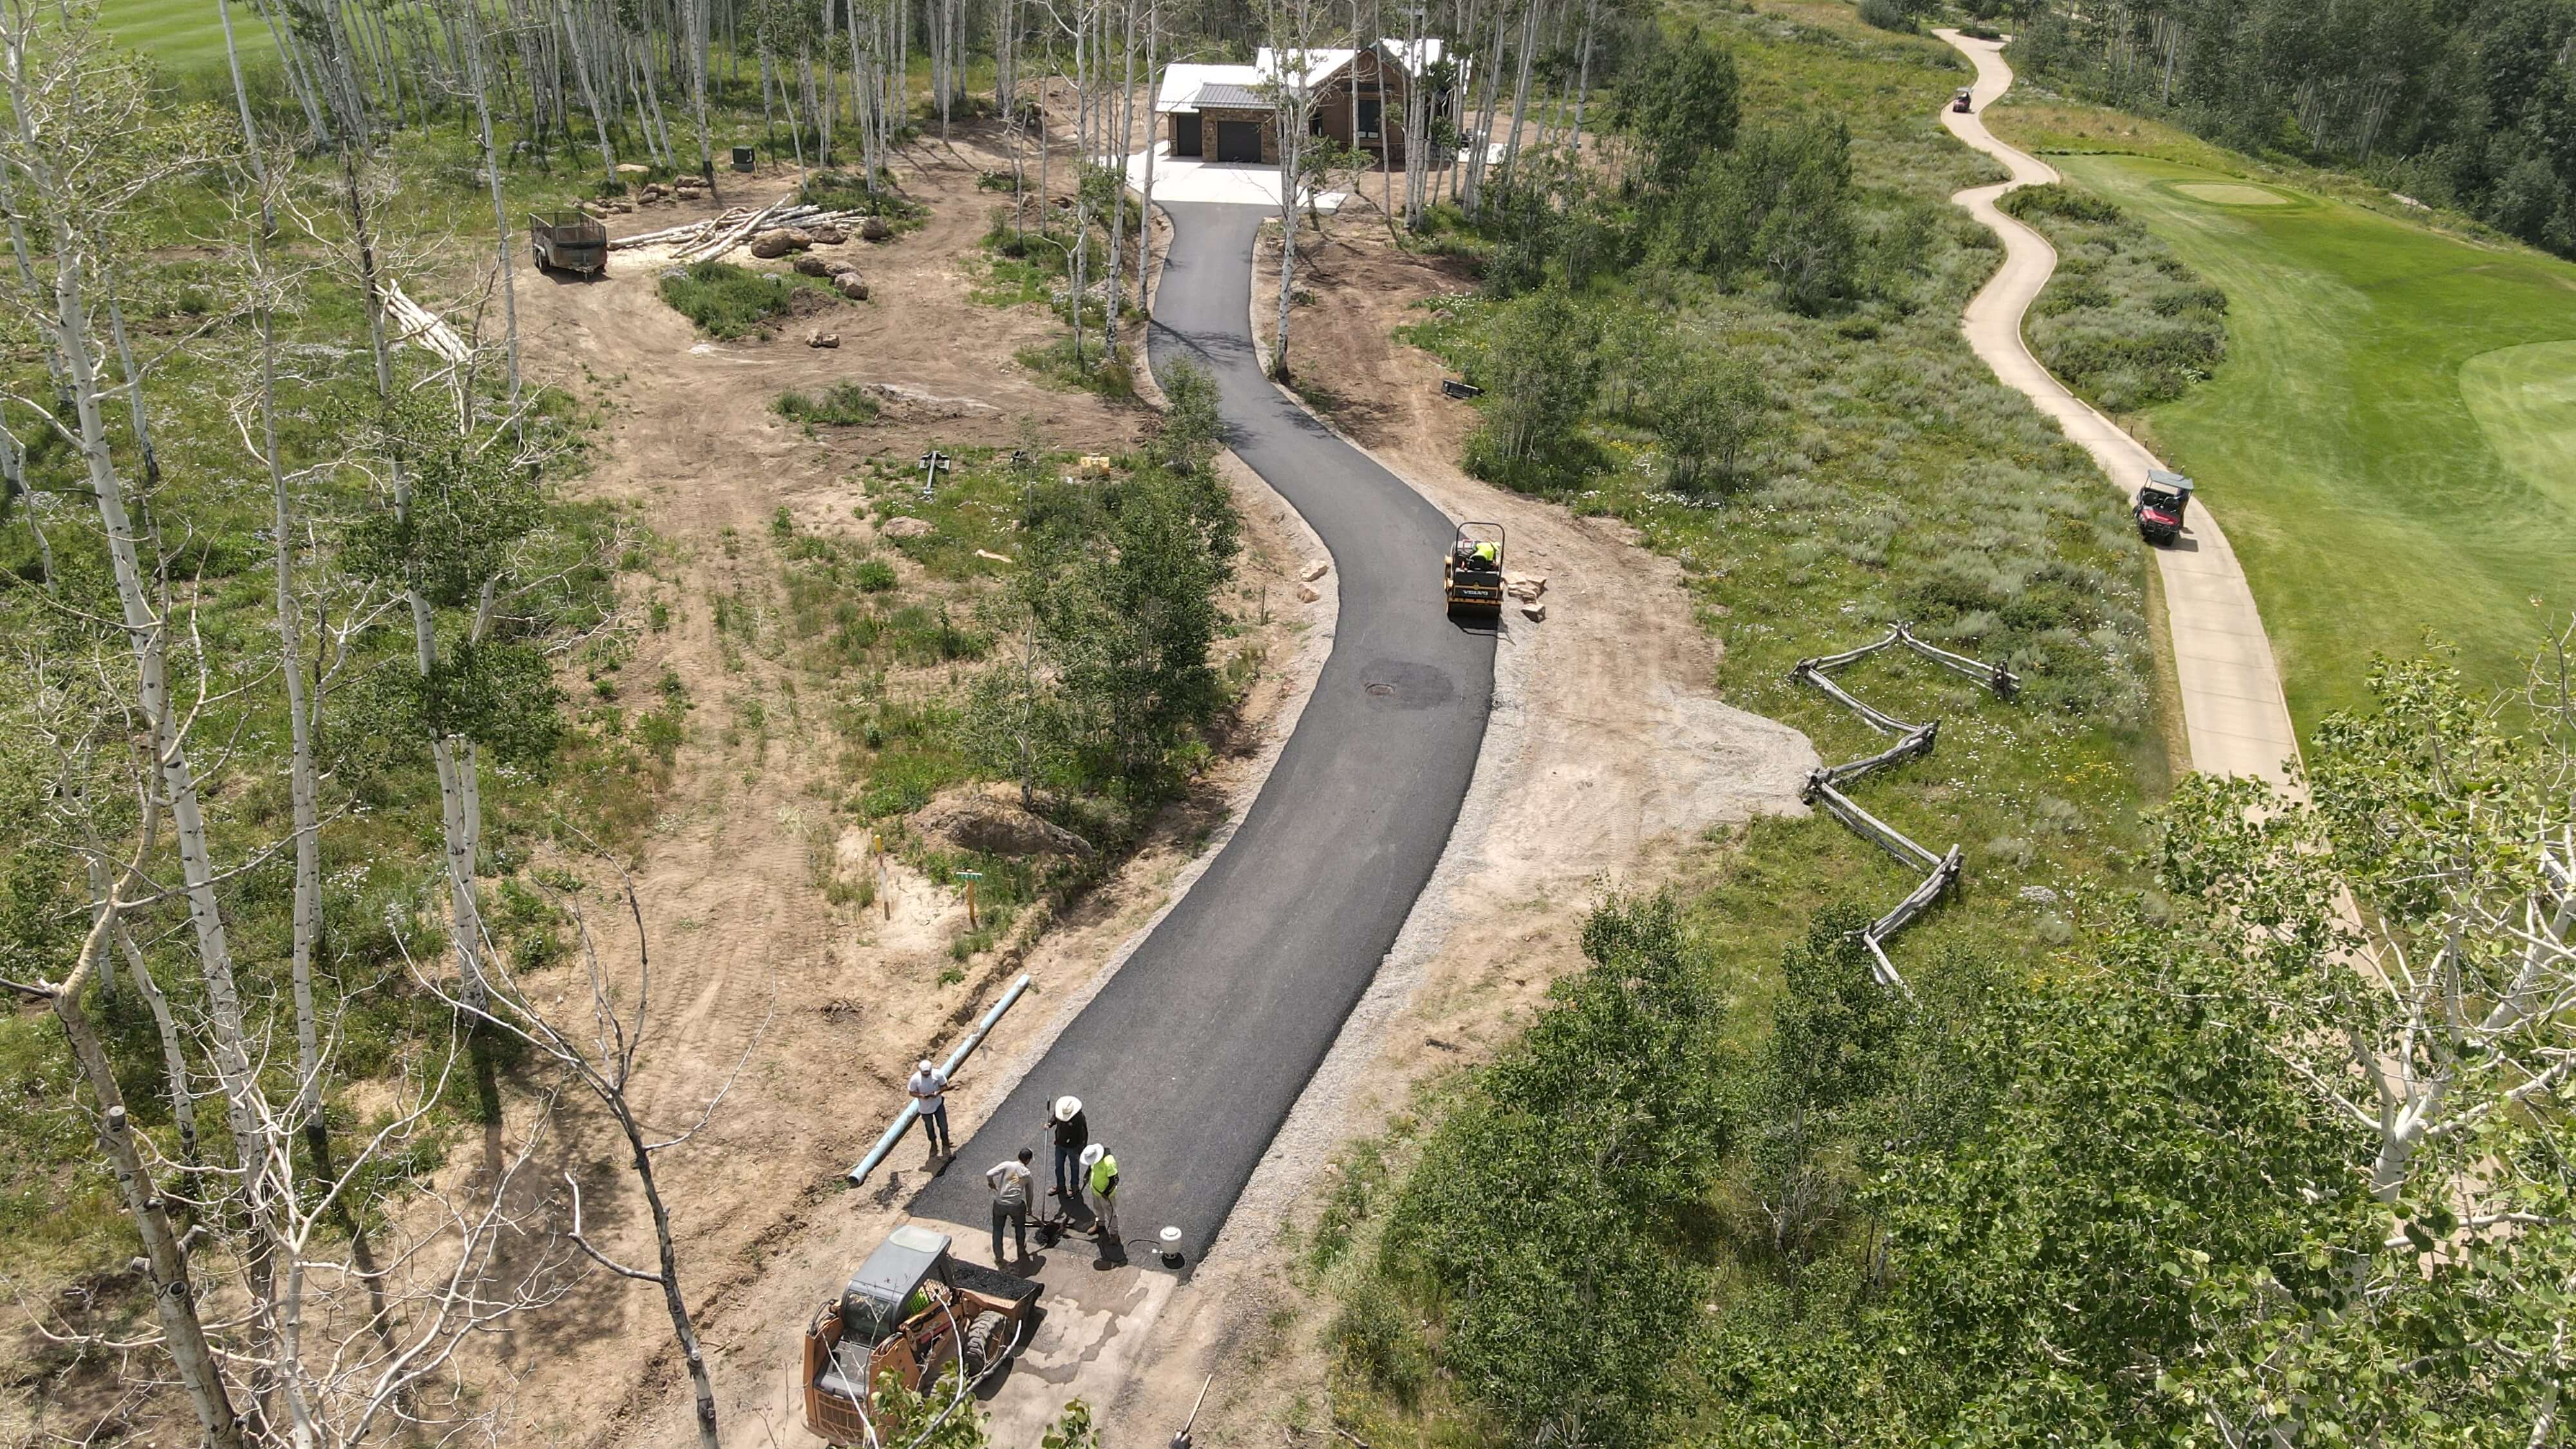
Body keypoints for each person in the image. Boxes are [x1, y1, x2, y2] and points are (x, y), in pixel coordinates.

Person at [987, 1148, 1035, 1267]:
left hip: (1000, 1204)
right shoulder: (1027, 1175)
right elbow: (1029, 1194)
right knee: (1020, 1229)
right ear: (1028, 1160)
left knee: (998, 1231)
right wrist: (1029, 1209)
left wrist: (991, 1183)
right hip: (1016, 1206)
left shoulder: (1007, 1165)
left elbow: (989, 1174)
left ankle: (999, 1258)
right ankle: (1021, 1250)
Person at [1047, 1095, 1089, 1211]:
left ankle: (1074, 1187)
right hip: (1060, 1144)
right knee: (1058, 1165)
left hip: (1073, 1146)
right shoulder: (1060, 1111)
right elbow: (1055, 1117)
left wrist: (1083, 1147)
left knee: (1074, 1166)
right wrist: (1050, 1124)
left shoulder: (1079, 1118)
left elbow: (1084, 1133)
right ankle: (1060, 1185)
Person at [908, 1059, 951, 1164]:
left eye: (928, 1073)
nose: (926, 1075)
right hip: (925, 1109)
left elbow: (945, 1086)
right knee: (929, 1128)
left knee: (943, 1126)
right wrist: (921, 1096)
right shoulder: (915, 1079)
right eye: (924, 1073)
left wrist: (938, 1093)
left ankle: (945, 1144)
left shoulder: (938, 1074)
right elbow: (911, 1092)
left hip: (938, 1105)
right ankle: (933, 1144)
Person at [1081, 1142, 1120, 1249]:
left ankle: (1114, 1234)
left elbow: (1115, 1180)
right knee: (1098, 1209)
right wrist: (1087, 1175)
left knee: (1111, 1214)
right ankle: (1100, 1224)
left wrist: (1106, 1193)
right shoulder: (1095, 1159)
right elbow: (1091, 1167)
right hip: (1096, 1191)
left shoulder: (1109, 1162)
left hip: (1106, 1195)